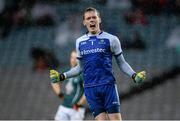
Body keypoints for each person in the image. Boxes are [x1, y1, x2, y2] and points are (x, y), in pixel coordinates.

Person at [50, 7, 146, 121]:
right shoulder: (80, 42)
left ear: (99, 19)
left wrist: (134, 75)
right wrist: (62, 76)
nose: (91, 20)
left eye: (94, 17)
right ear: (84, 22)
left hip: (108, 86)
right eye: (88, 18)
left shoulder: (112, 39)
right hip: (90, 89)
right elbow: (79, 68)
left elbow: (122, 63)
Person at [51, 50, 86, 121]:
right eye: (71, 57)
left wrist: (79, 104)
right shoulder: (67, 71)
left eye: (75, 58)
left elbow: (87, 91)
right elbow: (54, 82)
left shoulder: (82, 73)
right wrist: (60, 94)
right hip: (64, 106)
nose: (73, 60)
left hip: (76, 109)